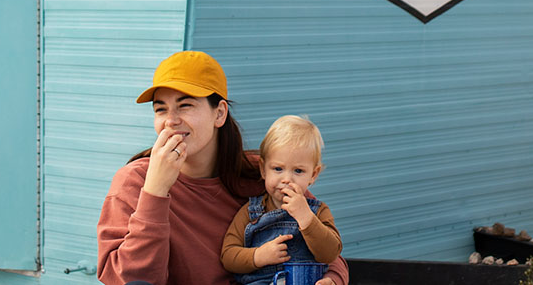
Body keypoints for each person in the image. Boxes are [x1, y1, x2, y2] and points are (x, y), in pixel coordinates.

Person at [97, 51, 348, 285]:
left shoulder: (262, 172)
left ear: (219, 114)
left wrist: (332, 279)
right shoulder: (134, 182)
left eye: (185, 105)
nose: (171, 121)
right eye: (161, 109)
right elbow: (131, 279)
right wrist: (155, 191)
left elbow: (324, 244)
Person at [220, 116, 342, 284]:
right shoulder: (251, 212)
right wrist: (258, 256)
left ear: (313, 175)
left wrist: (306, 217)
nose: (286, 179)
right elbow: (228, 256)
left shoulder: (318, 211)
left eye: (298, 171)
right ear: (263, 169)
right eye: (278, 169)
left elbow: (330, 253)